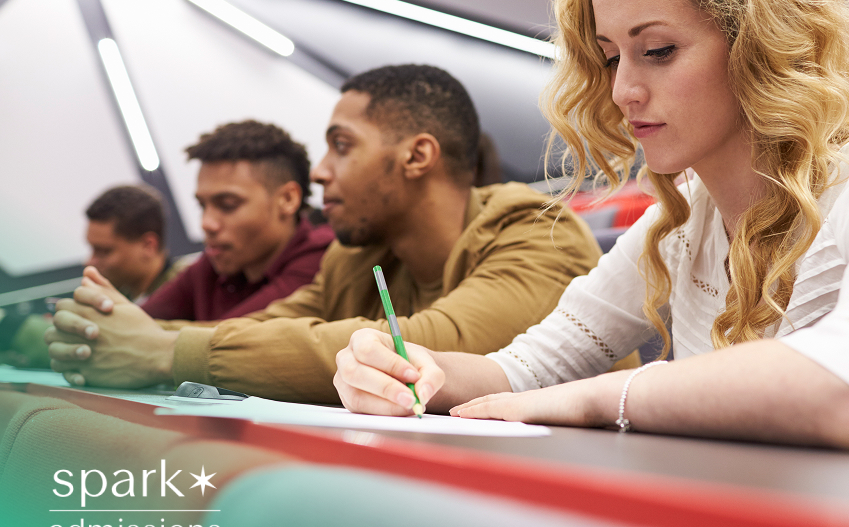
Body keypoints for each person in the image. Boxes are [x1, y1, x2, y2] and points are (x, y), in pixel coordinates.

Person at [333, 0, 849, 468]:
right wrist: (414, 369)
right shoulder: (680, 227)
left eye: (657, 50)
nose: (623, 89)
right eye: (610, 57)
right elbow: (524, 370)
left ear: (760, 44)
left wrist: (607, 398)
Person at [44, 65, 608, 401]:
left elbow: (425, 348)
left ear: (417, 156)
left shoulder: (540, 230)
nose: (318, 172)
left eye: (341, 146)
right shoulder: (354, 258)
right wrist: (116, 336)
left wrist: (164, 353)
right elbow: (261, 328)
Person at [140, 120, 334, 322]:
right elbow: (140, 321)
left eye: (227, 205)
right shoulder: (216, 261)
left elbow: (229, 339)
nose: (206, 223)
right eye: (202, 206)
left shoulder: (321, 259)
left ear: (287, 199)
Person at [0, 184, 183, 368]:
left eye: (104, 251)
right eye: (91, 248)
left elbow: (101, 349)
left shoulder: (185, 299)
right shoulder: (123, 294)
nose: (90, 261)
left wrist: (7, 324)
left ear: (148, 246)